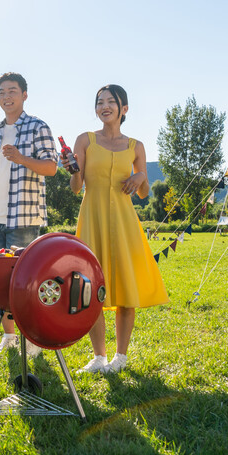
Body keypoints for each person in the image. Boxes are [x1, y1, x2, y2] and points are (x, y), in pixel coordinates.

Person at [62, 84, 168, 373]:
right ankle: (99, 357)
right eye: (99, 102)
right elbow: (75, 188)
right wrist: (73, 170)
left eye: (111, 101)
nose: (104, 106)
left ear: (124, 109)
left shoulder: (136, 146)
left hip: (124, 223)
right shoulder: (84, 140)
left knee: (125, 286)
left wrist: (142, 174)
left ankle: (120, 358)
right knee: (92, 286)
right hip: (92, 217)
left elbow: (144, 193)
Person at [0, 72, 57, 356]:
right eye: (1, 92)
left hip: (23, 217)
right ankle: (9, 338)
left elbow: (51, 167)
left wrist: (22, 158)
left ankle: (31, 339)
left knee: (24, 282)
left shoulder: (37, 127)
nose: (6, 96)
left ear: (24, 95)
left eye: (12, 91)